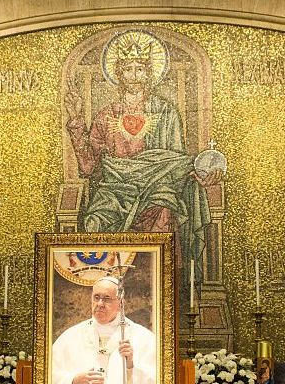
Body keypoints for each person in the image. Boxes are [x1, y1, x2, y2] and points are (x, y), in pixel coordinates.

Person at [64, 30, 218, 285]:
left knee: (164, 212)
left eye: (140, 69)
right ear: (119, 74)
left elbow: (174, 162)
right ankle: (108, 287)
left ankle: (159, 286)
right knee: (94, 221)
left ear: (149, 74)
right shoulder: (106, 115)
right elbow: (88, 167)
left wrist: (200, 172)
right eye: (128, 69)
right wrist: (76, 120)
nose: (134, 75)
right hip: (115, 190)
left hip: (158, 187)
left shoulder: (166, 112)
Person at [51, 276, 156, 384]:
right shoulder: (71, 337)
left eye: (107, 299)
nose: (100, 303)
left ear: (121, 303)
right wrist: (72, 381)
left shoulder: (143, 338)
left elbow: (157, 383)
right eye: (96, 297)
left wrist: (131, 366)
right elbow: (47, 378)